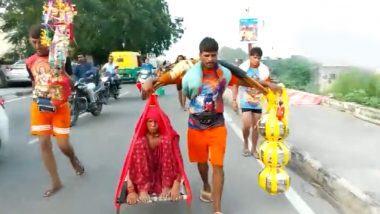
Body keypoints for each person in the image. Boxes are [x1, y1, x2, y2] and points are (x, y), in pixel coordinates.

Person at [151, 37, 280, 214]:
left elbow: (246, 80)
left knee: (218, 165)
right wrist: (149, 83)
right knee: (202, 163)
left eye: (213, 55)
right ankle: (205, 184)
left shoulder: (224, 73)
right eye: (206, 55)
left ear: (217, 55)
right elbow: (166, 78)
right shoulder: (188, 73)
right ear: (200, 55)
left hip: (217, 125)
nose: (210, 59)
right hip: (195, 126)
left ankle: (217, 210)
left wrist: (268, 85)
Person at [26, 24, 84, 197]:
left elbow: (71, 83)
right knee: (44, 144)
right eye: (33, 42)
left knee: (63, 145)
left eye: (40, 42)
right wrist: (36, 95)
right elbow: (34, 81)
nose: (37, 46)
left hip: (59, 105)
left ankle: (72, 159)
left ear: (48, 40)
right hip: (40, 105)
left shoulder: (60, 56)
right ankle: (56, 182)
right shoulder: (29, 62)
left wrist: (63, 74)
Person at [125, 103, 182, 204]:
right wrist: (131, 191)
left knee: (167, 141)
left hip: (164, 176)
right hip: (145, 175)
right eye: (150, 121)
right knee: (139, 143)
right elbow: (131, 167)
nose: (153, 124)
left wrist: (176, 186)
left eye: (156, 121)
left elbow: (179, 163)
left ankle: (166, 185)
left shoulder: (168, 137)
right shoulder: (139, 139)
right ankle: (143, 188)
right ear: (145, 123)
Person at [231, 47, 271, 158]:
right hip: (245, 101)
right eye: (254, 57)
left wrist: (270, 103)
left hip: (257, 101)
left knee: (256, 127)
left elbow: (268, 86)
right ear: (250, 57)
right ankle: (245, 143)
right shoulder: (243, 68)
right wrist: (234, 100)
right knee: (246, 125)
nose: (256, 60)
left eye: (258, 58)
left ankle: (254, 148)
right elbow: (235, 84)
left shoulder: (264, 70)